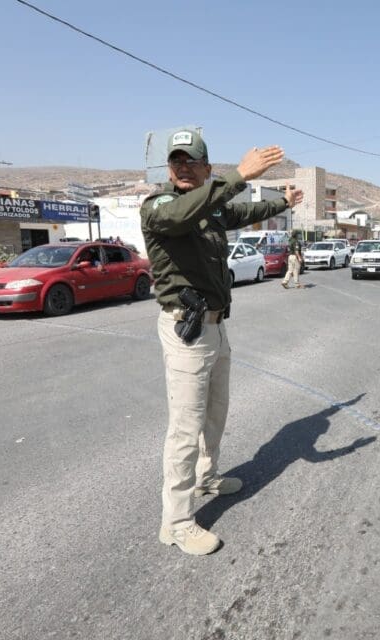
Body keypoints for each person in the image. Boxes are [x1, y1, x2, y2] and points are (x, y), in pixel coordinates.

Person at [141, 130, 304, 556]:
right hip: (186, 331)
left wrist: (284, 202)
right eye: (176, 161)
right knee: (185, 427)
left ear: (206, 168)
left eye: (191, 161)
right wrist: (240, 175)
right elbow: (181, 215)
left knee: (215, 412)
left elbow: (244, 211)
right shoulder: (159, 206)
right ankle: (176, 522)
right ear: (169, 169)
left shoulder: (211, 208)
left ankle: (207, 477)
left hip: (215, 326)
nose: (182, 167)